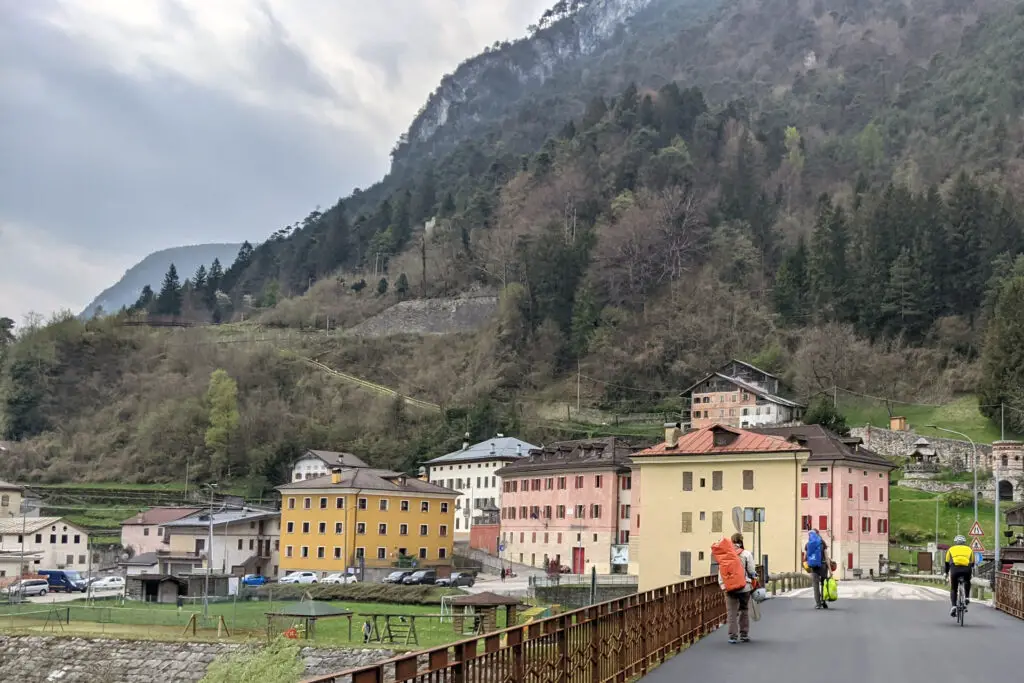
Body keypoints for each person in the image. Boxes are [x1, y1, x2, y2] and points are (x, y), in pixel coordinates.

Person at [719, 532, 757, 644]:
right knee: (744, 609)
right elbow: (751, 571)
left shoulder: (726, 554)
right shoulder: (746, 554)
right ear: (741, 541)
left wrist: (723, 585)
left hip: (729, 588)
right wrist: (754, 577)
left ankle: (732, 636)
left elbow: (721, 572)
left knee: (731, 612)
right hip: (744, 587)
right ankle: (744, 634)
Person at [944, 534, 974, 618]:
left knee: (954, 588)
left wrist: (946, 573)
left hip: (955, 569)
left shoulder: (951, 549)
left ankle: (954, 606)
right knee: (967, 581)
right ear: (964, 542)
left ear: (955, 542)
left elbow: (946, 563)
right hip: (966, 569)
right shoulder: (969, 549)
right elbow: (972, 562)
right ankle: (967, 597)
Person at [805, 529, 831, 609]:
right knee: (824, 584)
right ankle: (823, 601)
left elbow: (805, 557)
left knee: (816, 586)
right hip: (823, 566)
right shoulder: (822, 543)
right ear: (818, 534)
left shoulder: (808, 544)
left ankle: (818, 604)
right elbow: (826, 557)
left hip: (813, 567)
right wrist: (830, 570)